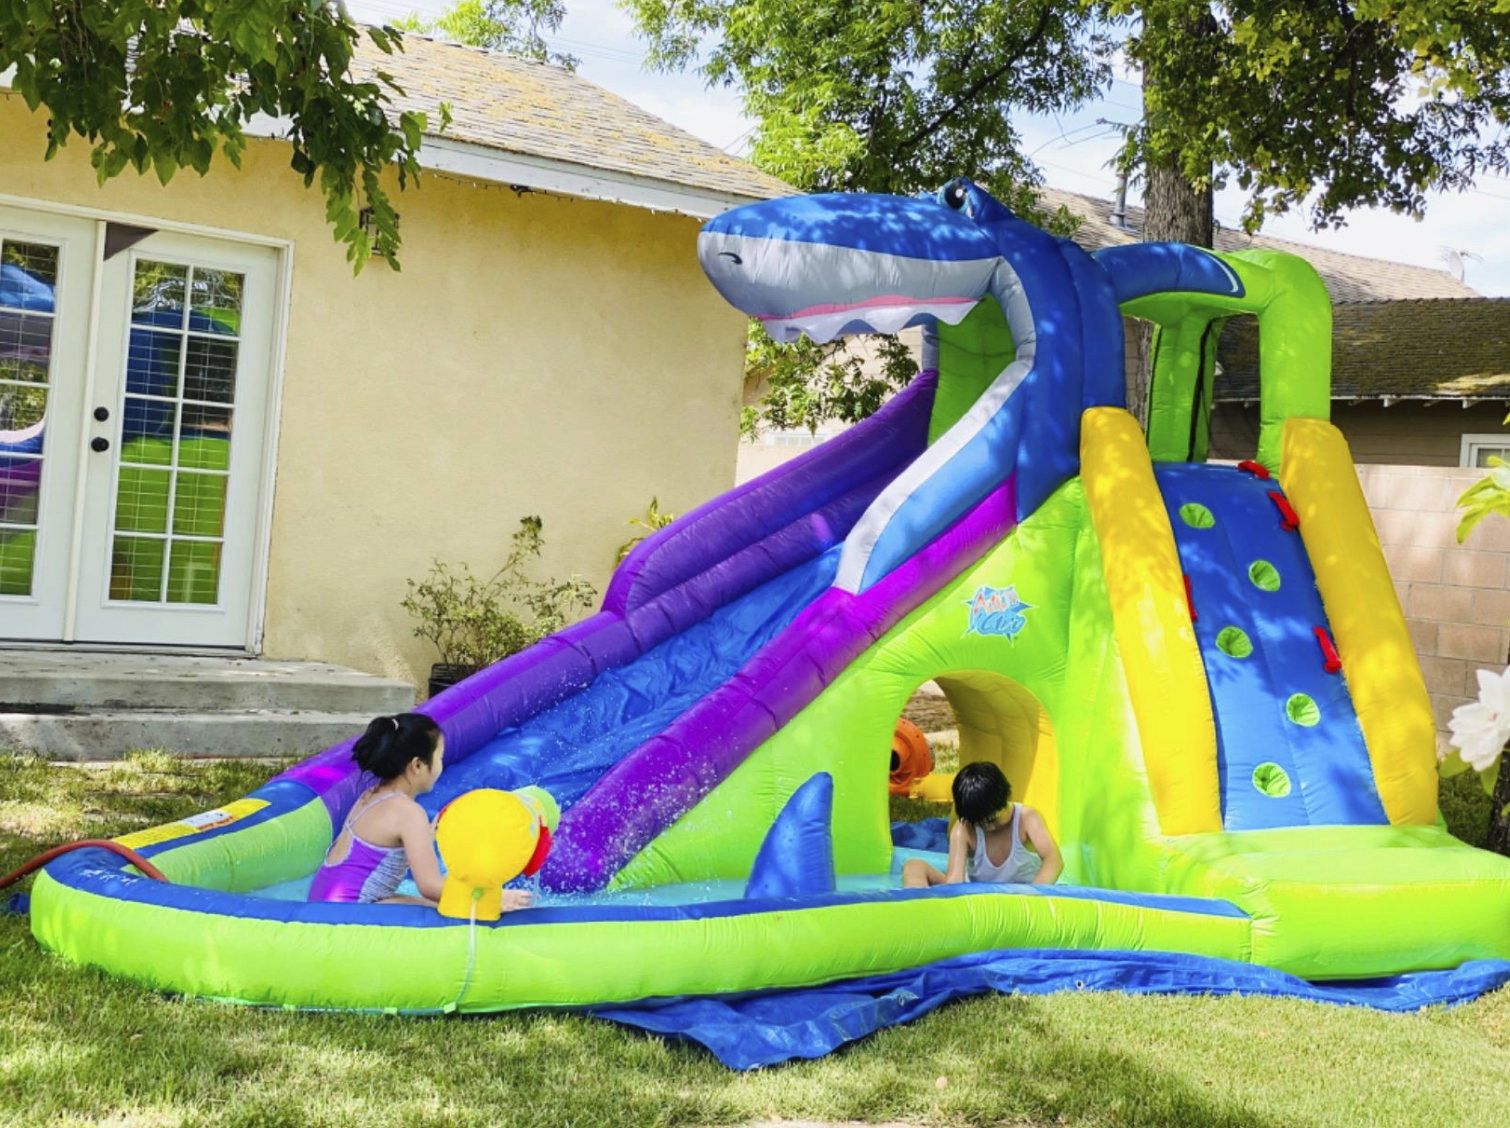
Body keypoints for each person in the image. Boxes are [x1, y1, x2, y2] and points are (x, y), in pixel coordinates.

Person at [306, 714, 529, 911]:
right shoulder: (409, 813)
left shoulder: (369, 796)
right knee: (440, 907)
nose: (441, 766)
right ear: (417, 766)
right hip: (348, 917)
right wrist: (493, 898)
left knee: (413, 901)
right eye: (440, 757)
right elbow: (431, 887)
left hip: (319, 907)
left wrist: (425, 836)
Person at [901, 760, 1062, 888]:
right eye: (979, 823)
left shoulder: (1026, 819)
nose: (988, 827)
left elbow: (1053, 861)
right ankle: (917, 906)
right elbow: (954, 883)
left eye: (993, 820)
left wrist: (1033, 895)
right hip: (979, 900)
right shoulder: (963, 829)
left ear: (1008, 796)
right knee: (914, 866)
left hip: (1022, 896)